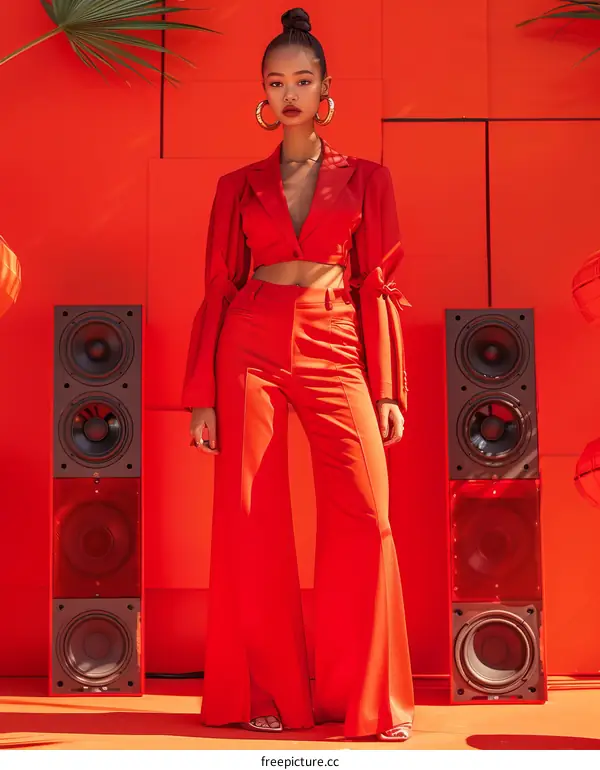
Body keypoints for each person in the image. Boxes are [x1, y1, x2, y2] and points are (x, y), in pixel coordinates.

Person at [182, 7, 414, 742]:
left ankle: (367, 703)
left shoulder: (368, 179)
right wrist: (202, 400)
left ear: (325, 91)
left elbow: (378, 281)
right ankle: (265, 697)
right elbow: (218, 287)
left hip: (335, 333)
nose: (290, 93)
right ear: (262, 93)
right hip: (247, 341)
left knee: (367, 516)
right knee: (250, 521)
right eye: (277, 81)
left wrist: (386, 388)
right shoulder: (236, 185)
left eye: (303, 80)